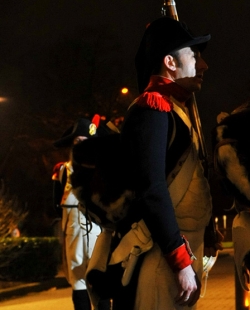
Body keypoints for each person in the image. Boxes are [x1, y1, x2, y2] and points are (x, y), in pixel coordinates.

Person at [115, 17, 218, 309]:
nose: (203, 65)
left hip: (180, 249)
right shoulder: (153, 106)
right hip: (162, 254)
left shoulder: (175, 108)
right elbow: (153, 188)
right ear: (170, 63)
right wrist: (180, 260)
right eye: (194, 56)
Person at [53, 115, 111, 310]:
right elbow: (56, 203)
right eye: (78, 142)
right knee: (78, 278)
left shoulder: (104, 169)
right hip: (73, 228)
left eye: (86, 142)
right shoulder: (63, 170)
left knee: (100, 276)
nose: (81, 147)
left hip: (99, 228)